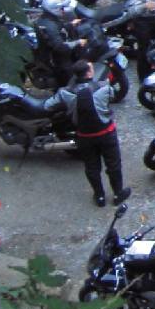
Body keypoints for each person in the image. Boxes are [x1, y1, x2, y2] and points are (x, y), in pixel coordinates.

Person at [44, 59, 130, 207]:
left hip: (85, 136)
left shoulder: (65, 92)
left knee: (91, 167)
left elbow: (48, 105)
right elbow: (113, 97)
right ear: (89, 73)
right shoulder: (104, 87)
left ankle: (99, 196)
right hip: (106, 133)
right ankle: (117, 194)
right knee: (113, 164)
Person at [35, 0, 87, 81]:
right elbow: (60, 47)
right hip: (56, 59)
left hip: (56, 50)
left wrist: (70, 24)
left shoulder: (48, 18)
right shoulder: (50, 26)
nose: (63, 10)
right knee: (72, 75)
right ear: (54, 9)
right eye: (61, 8)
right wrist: (78, 42)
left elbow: (59, 28)